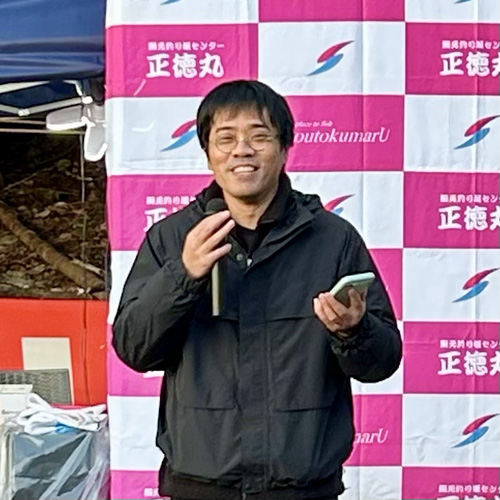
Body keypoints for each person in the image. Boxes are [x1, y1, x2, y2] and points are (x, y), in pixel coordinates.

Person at [112, 80, 402, 500]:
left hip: (303, 489)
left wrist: (353, 331)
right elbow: (134, 348)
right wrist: (184, 274)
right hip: (200, 485)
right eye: (225, 139)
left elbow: (382, 362)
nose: (242, 150)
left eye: (259, 137)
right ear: (208, 153)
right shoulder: (172, 238)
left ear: (284, 149)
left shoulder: (333, 239)